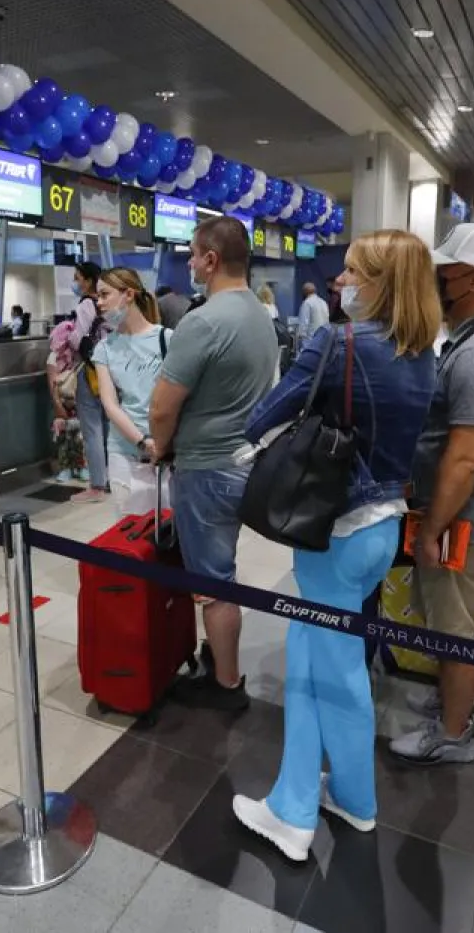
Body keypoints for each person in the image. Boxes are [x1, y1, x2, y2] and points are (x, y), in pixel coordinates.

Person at [230, 228, 440, 860]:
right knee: (330, 657)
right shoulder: (422, 349)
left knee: (323, 668)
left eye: (353, 273)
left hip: (336, 530)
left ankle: (292, 813)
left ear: (380, 282)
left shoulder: (339, 342)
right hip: (383, 526)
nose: (342, 284)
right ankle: (352, 796)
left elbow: (267, 415)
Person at [388, 223, 474, 764]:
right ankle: (455, 708)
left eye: (442, 272)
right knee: (452, 626)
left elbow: (465, 458)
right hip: (464, 516)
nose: (434, 282)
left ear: (473, 278)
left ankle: (452, 733)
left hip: (463, 522)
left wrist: (433, 530)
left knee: (456, 629)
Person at [150, 216, 278, 711]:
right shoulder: (258, 314)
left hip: (205, 468)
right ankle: (218, 659)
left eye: (192, 254)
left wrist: (159, 446)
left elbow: (163, 406)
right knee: (221, 573)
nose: (188, 263)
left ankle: (226, 684)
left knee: (213, 584)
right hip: (244, 460)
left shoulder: (202, 321)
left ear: (211, 259)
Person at [92, 268, 171, 517]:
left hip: (168, 452)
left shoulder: (167, 339)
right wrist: (141, 441)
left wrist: (162, 442)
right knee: (128, 531)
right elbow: (110, 403)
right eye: (97, 296)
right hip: (123, 451)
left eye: (105, 295)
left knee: (169, 533)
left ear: (128, 294)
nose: (99, 303)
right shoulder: (105, 348)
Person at [67, 261, 110, 503]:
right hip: (110, 371)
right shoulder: (110, 302)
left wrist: (68, 336)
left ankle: (96, 486)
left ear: (87, 280)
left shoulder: (86, 304)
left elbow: (77, 339)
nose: (76, 283)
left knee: (92, 429)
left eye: (77, 278)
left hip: (90, 372)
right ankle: (112, 478)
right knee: (108, 427)